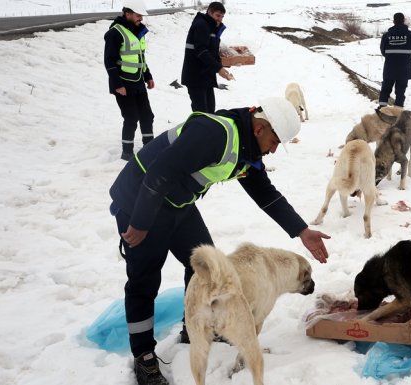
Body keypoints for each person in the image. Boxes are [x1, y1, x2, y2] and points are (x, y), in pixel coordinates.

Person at [108, 97, 330, 385]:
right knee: (144, 280)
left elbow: (265, 193)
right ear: (261, 127)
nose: (274, 150)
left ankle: (195, 327)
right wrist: (138, 223)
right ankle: (144, 357)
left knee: (208, 267)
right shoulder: (215, 133)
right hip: (140, 199)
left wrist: (302, 230)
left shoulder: (247, 150)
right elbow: (160, 172)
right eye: (275, 141)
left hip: (177, 203)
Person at [104, 0, 155, 161]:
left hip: (138, 82)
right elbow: (109, 61)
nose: (141, 18)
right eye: (138, 15)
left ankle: (149, 147)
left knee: (147, 116)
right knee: (131, 117)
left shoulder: (137, 31)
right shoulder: (115, 33)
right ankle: (127, 152)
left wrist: (148, 76)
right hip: (123, 84)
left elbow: (140, 57)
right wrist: (117, 85)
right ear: (128, 14)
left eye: (141, 15)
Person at [181, 1, 234, 113]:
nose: (220, 19)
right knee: (201, 114)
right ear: (209, 12)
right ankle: (196, 130)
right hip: (196, 77)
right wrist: (218, 68)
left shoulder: (211, 27)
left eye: (222, 16)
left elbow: (212, 51)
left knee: (209, 112)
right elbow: (201, 51)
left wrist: (222, 63)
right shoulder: (202, 25)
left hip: (205, 76)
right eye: (218, 15)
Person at [378, 12, 411, 108]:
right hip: (404, 67)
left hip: (390, 67)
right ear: (403, 20)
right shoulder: (410, 35)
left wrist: (392, 56)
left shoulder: (387, 35)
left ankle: (382, 109)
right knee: (401, 89)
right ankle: (398, 110)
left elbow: (383, 50)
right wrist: (405, 56)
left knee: (386, 88)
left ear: (394, 21)